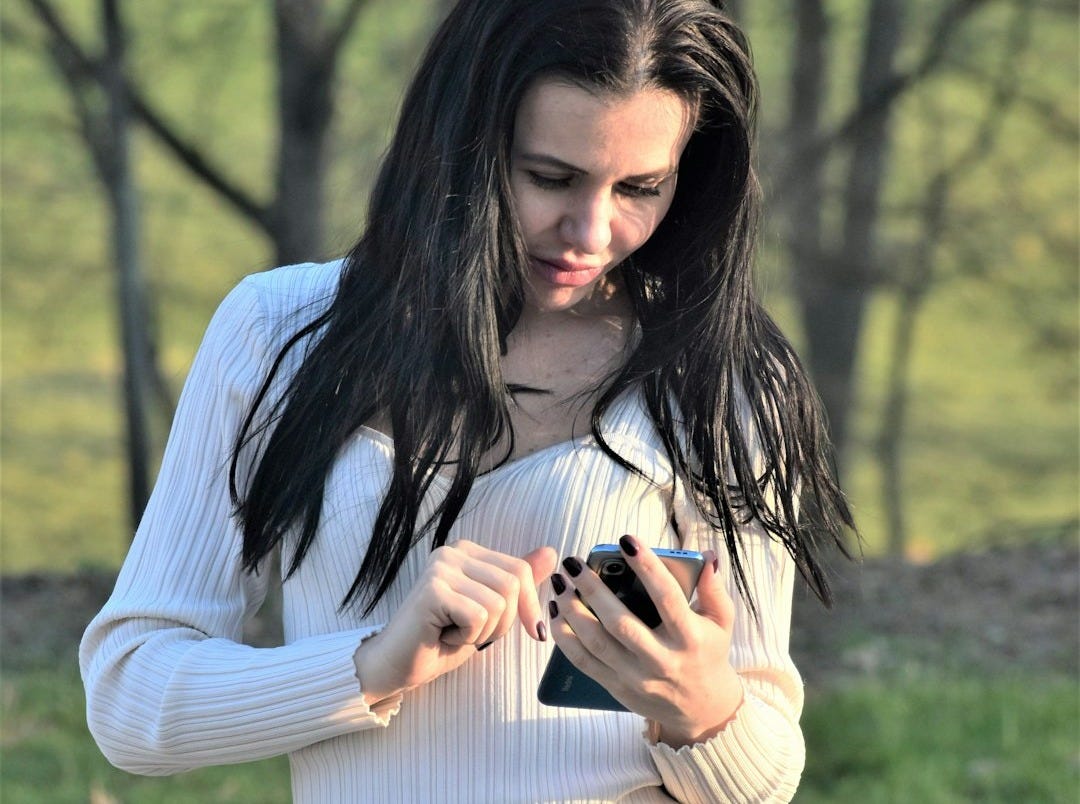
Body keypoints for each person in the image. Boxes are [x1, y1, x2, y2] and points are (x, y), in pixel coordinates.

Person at [80, 1, 854, 801]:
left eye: (641, 187)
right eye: (550, 177)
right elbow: (130, 700)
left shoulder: (723, 376)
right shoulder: (279, 333)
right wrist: (371, 666)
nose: (590, 230)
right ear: (459, 148)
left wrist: (702, 708)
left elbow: (767, 772)